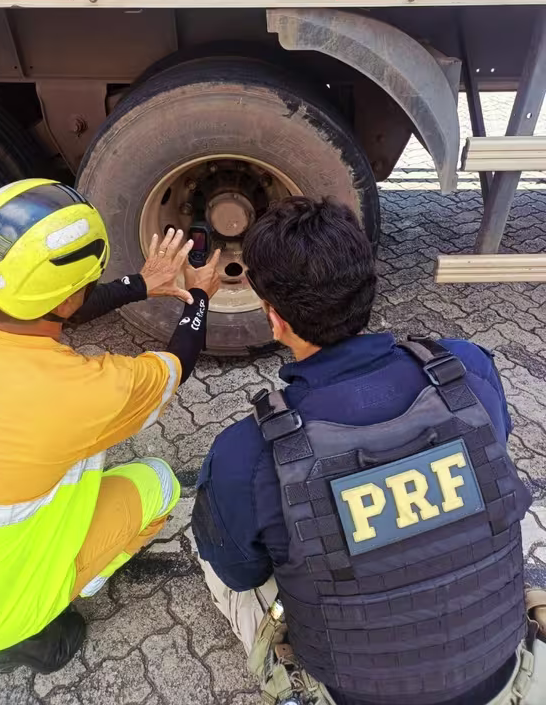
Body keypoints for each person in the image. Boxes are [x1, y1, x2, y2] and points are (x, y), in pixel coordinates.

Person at [193, 198, 545, 705]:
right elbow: (497, 443)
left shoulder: (245, 454)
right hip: (509, 678)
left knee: (213, 540)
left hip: (351, 691)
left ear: (274, 319)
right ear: (367, 288)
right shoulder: (465, 371)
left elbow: (242, 573)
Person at [0, 178, 220, 674]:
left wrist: (142, 283)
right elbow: (174, 366)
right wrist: (199, 298)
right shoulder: (86, 393)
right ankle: (45, 610)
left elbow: (50, 307)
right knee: (158, 483)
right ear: (68, 301)